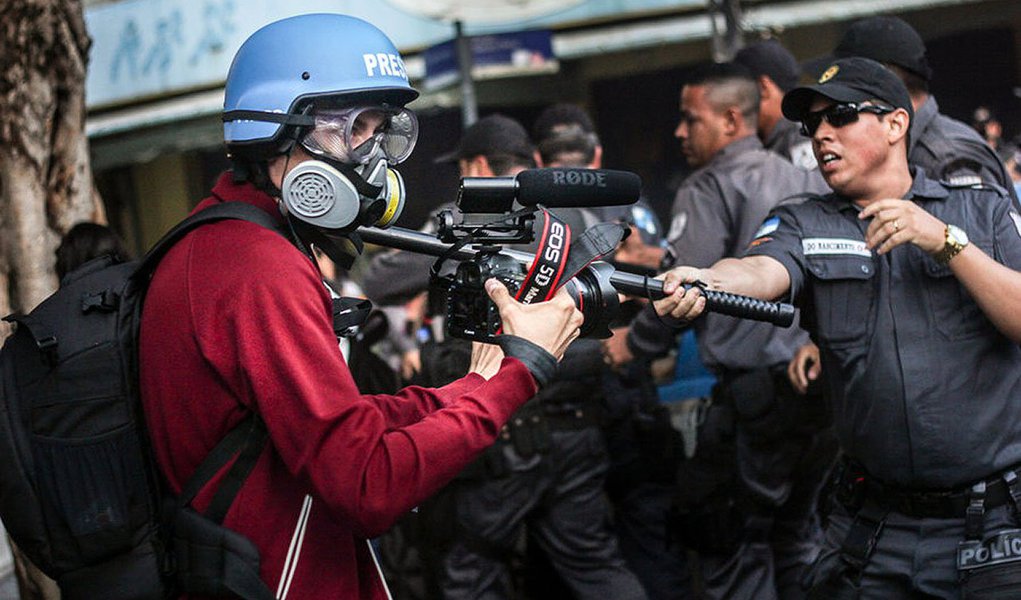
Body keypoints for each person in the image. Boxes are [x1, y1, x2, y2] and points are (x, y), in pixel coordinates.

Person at [137, 14, 584, 599]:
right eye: (355, 130)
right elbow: (366, 482)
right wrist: (521, 374)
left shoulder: (225, 244)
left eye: (381, 132)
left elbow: (346, 426)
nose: (374, 159)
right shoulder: (256, 271)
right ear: (280, 129)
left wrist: (476, 385)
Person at [655, 56, 1021, 599]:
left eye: (842, 116)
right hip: (876, 529)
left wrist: (945, 242)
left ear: (897, 124)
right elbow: (762, 268)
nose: (822, 135)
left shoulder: (978, 210)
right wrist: (708, 277)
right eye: (812, 124)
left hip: (992, 529)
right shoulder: (807, 219)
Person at [364, 112, 647, 600]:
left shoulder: (466, 218)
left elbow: (378, 281)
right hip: (577, 424)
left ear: (475, 164)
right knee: (594, 565)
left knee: (470, 570)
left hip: (498, 421)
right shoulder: (576, 219)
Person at [604, 62, 832, 600]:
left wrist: (630, 346)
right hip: (816, 394)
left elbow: (681, 293)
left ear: (731, 119)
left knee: (732, 549)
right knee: (801, 543)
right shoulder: (803, 179)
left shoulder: (707, 185)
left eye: (690, 119)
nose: (680, 132)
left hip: (755, 402)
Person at [824, 15, 1017, 202]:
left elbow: (981, 233)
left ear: (883, 79)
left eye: (847, 86)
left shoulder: (946, 157)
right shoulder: (909, 147)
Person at [734, 39, 819, 172]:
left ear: (763, 88)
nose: (734, 104)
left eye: (738, 93)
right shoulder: (774, 140)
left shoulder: (800, 137)